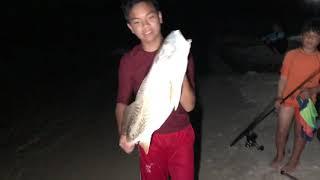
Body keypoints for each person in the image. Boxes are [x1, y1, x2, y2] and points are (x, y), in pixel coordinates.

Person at [115, 0, 196, 179]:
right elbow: (122, 103)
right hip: (149, 138)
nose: (145, 25)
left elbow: (189, 106)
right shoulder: (129, 61)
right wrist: (124, 133)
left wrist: (178, 69)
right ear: (130, 27)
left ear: (159, 17)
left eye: (150, 17)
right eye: (137, 22)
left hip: (181, 135)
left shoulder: (178, 53)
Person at [271, 18, 320, 173]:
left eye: (314, 35)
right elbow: (283, 78)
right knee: (281, 131)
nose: (310, 39)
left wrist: (312, 91)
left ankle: (294, 161)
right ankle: (280, 155)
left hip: (307, 102)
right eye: (307, 35)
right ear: (301, 36)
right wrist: (279, 97)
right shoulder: (291, 55)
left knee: (301, 133)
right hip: (288, 99)